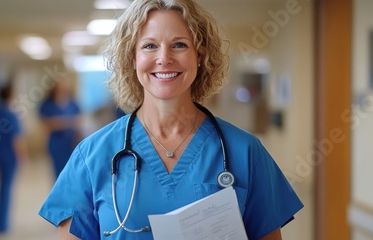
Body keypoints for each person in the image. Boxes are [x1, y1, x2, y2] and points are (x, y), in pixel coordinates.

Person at [39, 0, 303, 239]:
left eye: (179, 45)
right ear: (133, 59)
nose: (164, 58)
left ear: (199, 56)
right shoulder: (92, 155)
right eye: (149, 46)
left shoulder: (245, 151)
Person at [0, 82, 27, 234]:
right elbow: (16, 139)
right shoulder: (11, 115)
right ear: (10, 95)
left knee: (1, 187)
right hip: (10, 157)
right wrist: (21, 157)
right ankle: (2, 224)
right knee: (6, 189)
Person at [39, 76, 82, 179]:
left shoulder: (72, 103)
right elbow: (47, 125)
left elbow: (79, 121)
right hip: (56, 144)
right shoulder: (48, 104)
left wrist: (59, 122)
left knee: (72, 173)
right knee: (58, 174)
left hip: (71, 143)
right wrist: (68, 122)